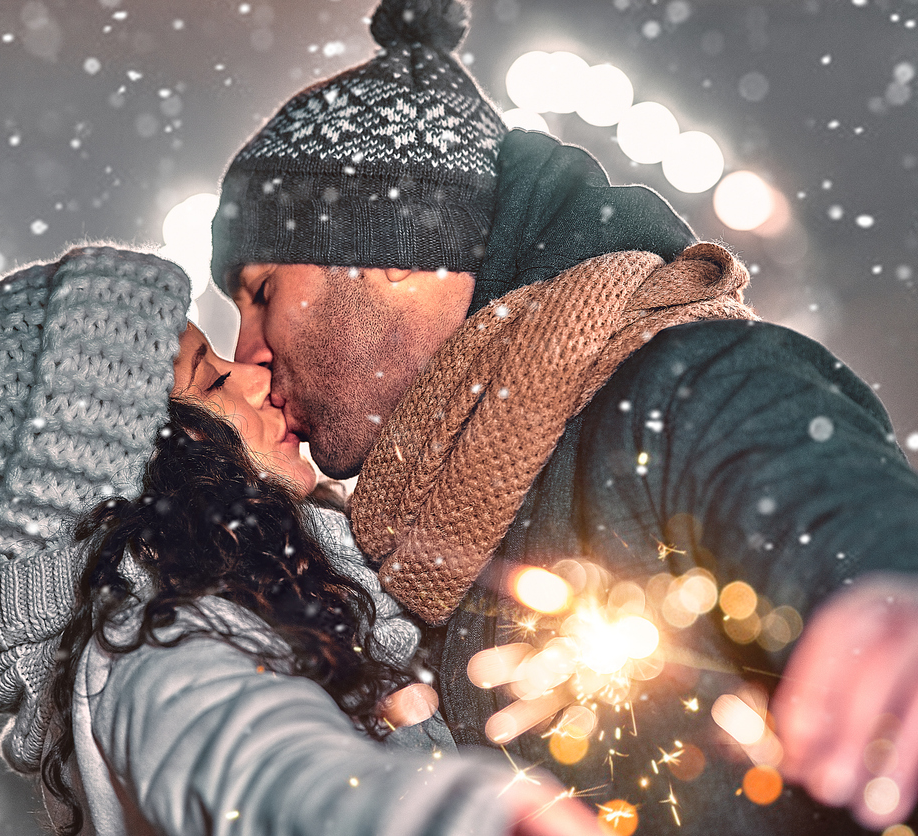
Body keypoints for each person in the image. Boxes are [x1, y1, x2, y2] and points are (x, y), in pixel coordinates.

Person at [209, 0, 918, 833]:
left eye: (261, 295)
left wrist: (881, 591)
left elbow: (804, 481)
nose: (245, 351)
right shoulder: (432, 518)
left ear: (390, 258)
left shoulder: (674, 383)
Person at [0, 245, 604, 836]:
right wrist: (449, 814)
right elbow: (250, 759)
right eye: (210, 378)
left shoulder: (263, 594)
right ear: (142, 473)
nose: (253, 374)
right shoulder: (150, 648)